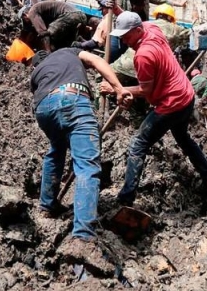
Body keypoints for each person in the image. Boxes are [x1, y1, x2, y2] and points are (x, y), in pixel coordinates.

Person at [101, 11, 207, 206]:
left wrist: (116, 89)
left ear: (138, 30)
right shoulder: (152, 28)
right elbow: (134, 20)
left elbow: (145, 90)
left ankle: (125, 199)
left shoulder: (143, 56)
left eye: (126, 35)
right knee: (183, 138)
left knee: (138, 145)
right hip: (186, 95)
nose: (123, 40)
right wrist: (120, 11)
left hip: (171, 104)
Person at [30, 47, 132, 274]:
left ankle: (47, 205)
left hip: (43, 108)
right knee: (87, 166)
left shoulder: (37, 71)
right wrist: (118, 88)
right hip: (73, 98)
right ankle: (83, 237)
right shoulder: (70, 52)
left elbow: (39, 97)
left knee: (56, 150)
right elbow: (96, 60)